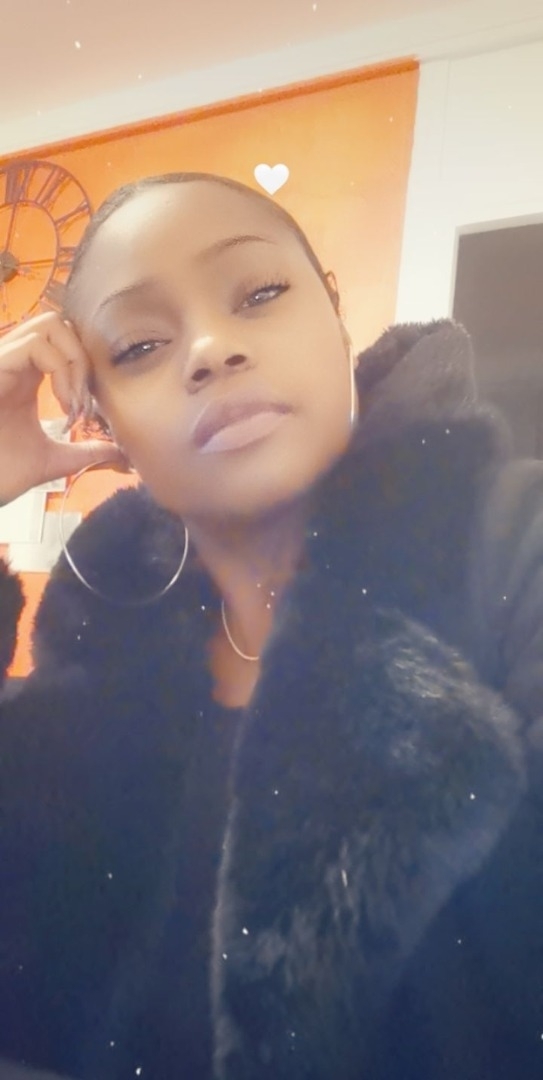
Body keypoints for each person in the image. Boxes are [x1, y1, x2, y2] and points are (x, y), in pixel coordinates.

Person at [0, 171, 542, 1080]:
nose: (211, 349)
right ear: (100, 416)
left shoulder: (510, 543)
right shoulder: (97, 636)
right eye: (139, 345)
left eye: (257, 294)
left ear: (333, 314)